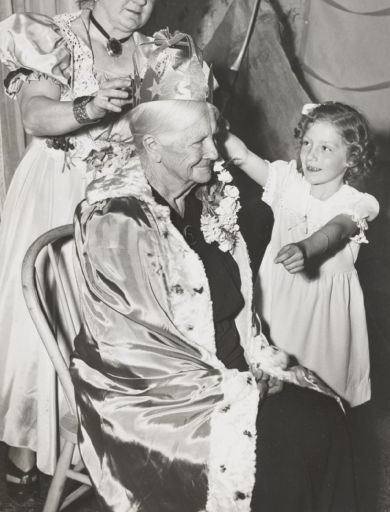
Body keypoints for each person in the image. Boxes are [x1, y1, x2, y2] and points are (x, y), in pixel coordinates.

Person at [71, 33, 356, 512]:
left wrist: (258, 361)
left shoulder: (208, 200)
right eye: (199, 141)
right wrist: (240, 387)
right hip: (160, 402)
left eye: (213, 134)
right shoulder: (117, 221)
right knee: (293, 441)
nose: (215, 150)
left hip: (230, 370)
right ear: (154, 148)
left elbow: (239, 307)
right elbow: (138, 352)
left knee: (325, 413)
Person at [0, 0, 171, 501]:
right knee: (46, 326)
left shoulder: (157, 52)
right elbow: (37, 118)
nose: (139, 0)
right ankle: (31, 445)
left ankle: (101, 444)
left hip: (122, 201)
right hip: (58, 186)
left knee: (115, 331)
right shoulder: (53, 37)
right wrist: (89, 105)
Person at [224, 102, 379, 407]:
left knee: (319, 387)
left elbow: (335, 230)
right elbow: (241, 155)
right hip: (276, 297)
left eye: (325, 148)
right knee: (271, 372)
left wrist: (306, 248)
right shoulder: (286, 181)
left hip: (322, 311)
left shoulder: (358, 202)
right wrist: (206, 118)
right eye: (307, 143)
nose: (311, 155)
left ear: (352, 157)